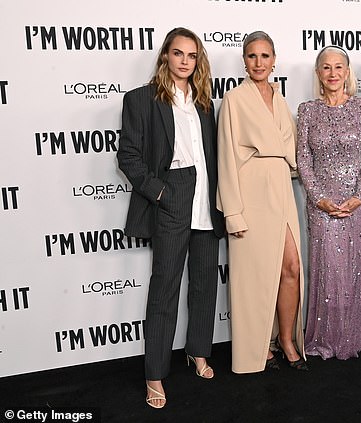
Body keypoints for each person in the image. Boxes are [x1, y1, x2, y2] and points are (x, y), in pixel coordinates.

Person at [117, 27, 225, 408]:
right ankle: (155, 374)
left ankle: (198, 350)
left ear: (198, 61)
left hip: (205, 194)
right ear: (166, 56)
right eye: (178, 53)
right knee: (165, 288)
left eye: (192, 55)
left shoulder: (206, 103)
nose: (185, 61)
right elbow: (127, 156)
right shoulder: (142, 99)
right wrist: (160, 191)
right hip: (172, 192)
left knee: (204, 283)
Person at [216, 31, 307, 373]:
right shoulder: (234, 99)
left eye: (265, 56)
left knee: (291, 267)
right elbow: (226, 157)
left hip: (281, 187)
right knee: (254, 278)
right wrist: (233, 213)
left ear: (274, 60)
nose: (259, 63)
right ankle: (255, 351)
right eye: (252, 56)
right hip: (250, 191)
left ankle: (285, 339)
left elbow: (294, 152)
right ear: (244, 61)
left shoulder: (281, 100)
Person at [297, 45, 361, 360]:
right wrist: (319, 199)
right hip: (322, 206)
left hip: (360, 204)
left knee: (360, 266)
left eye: (339, 67)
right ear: (319, 73)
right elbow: (303, 159)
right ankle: (327, 336)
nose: (333, 73)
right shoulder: (307, 110)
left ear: (347, 72)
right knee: (329, 270)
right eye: (326, 68)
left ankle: (356, 333)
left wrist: (358, 197)